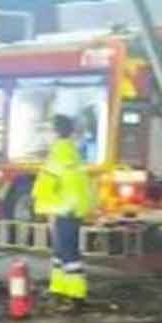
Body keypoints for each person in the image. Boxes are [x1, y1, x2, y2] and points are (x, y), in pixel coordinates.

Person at [33, 113, 93, 308]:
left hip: (64, 210)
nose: (46, 134)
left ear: (55, 132)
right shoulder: (72, 151)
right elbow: (80, 184)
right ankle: (59, 289)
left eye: (48, 129)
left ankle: (76, 295)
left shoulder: (58, 153)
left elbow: (46, 184)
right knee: (61, 253)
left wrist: (43, 206)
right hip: (72, 209)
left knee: (68, 254)